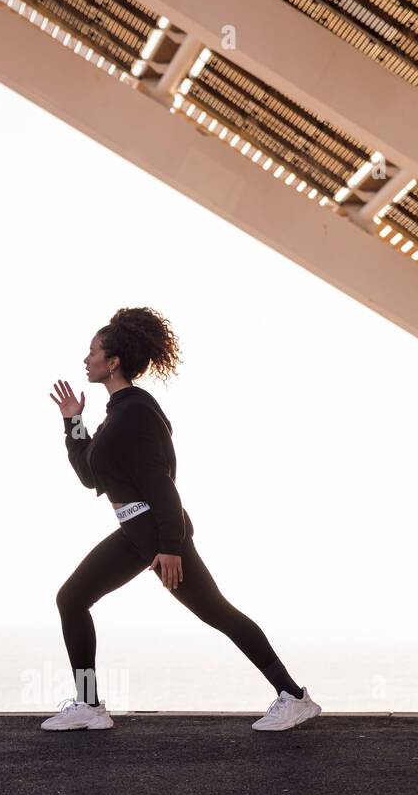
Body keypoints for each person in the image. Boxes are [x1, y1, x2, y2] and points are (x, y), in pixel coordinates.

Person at [43, 306, 320, 732]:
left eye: (93, 351)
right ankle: (90, 706)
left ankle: (294, 696)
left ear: (113, 361)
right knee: (72, 599)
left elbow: (161, 484)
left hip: (156, 532)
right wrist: (72, 421)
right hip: (136, 534)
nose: (86, 358)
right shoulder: (117, 413)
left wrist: (169, 546)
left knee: (218, 613)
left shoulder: (134, 413)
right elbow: (88, 476)